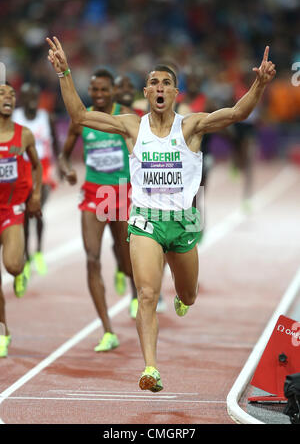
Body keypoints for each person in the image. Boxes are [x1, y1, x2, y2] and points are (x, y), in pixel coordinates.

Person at [46, 36, 276, 391]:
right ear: (146, 91)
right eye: (154, 81)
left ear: (175, 93)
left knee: (188, 295)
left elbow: (236, 113)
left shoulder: (191, 126)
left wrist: (259, 84)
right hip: (145, 222)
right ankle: (151, 368)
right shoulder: (130, 126)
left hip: (183, 224)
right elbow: (79, 115)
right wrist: (64, 73)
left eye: (166, 83)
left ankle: (184, 299)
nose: (159, 87)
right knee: (147, 295)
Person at [59, 68, 138, 352]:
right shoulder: (82, 119)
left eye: (105, 90)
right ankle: (107, 330)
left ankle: (131, 288)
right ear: (89, 92)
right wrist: (67, 170)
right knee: (92, 258)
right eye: (95, 90)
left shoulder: (125, 117)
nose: (100, 95)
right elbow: (64, 156)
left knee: (128, 258)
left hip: (121, 192)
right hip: (94, 194)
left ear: (114, 92)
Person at [113, 74, 167, 314]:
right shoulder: (109, 114)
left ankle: (142, 292)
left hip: (137, 187)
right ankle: (122, 268)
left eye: (129, 86)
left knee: (138, 236)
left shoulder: (138, 114)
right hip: (112, 185)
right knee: (118, 242)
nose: (125, 89)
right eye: (120, 86)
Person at [0, 82, 42, 357]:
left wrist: (36, 193)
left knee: (13, 266)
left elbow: (36, 166)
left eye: (11, 95)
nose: (8, 98)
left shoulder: (24, 135)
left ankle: (21, 265)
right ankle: (3, 331)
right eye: (2, 94)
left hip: (12, 207)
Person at [12, 83, 60, 279]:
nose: (31, 99)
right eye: (26, 95)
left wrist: (61, 165)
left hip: (43, 169)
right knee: (23, 217)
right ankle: (26, 255)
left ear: (38, 97)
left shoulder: (45, 117)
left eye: (34, 95)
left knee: (38, 210)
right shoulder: (14, 118)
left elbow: (55, 142)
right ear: (21, 98)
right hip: (21, 169)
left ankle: (38, 251)